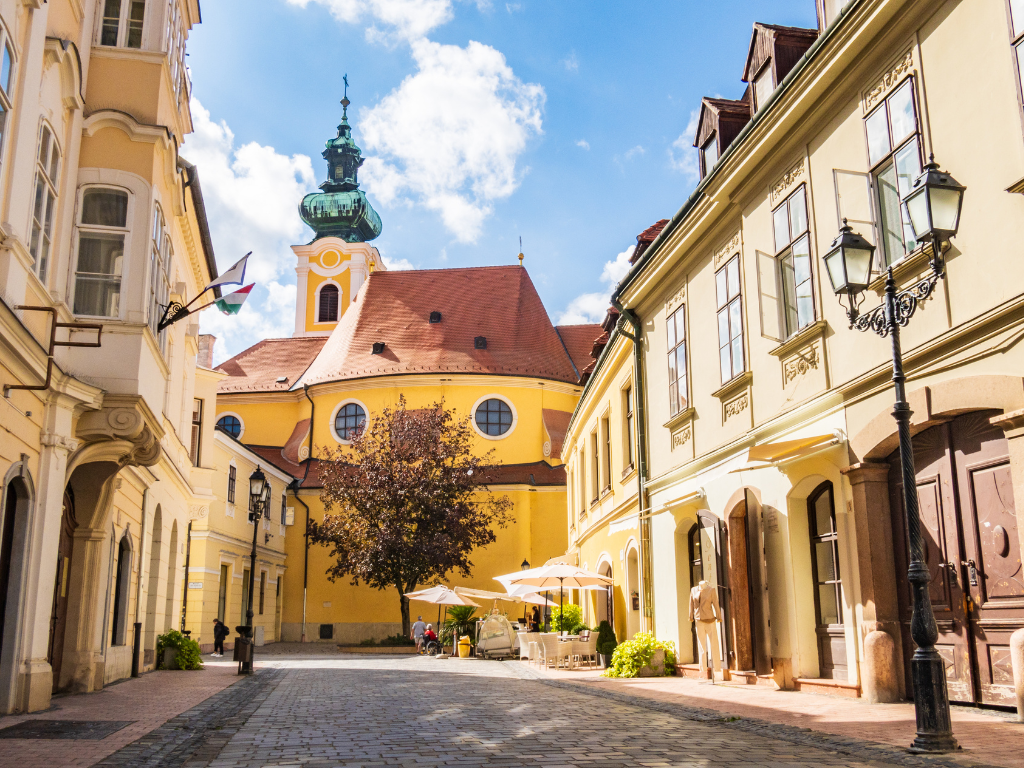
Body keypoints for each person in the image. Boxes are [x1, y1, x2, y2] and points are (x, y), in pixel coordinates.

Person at [688, 580, 722, 678]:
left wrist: (719, 617)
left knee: (714, 644)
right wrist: (691, 616)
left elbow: (716, 604)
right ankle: (703, 668)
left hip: (710, 620)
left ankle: (717, 667)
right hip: (698, 620)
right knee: (701, 645)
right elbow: (691, 604)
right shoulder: (693, 590)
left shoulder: (711, 590)